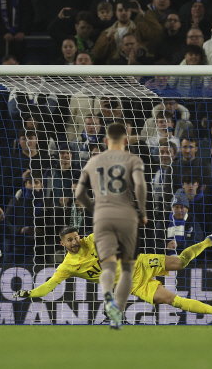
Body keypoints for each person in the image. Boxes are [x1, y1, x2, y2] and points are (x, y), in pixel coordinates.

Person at [13, 224, 212, 324]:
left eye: (76, 237)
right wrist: (30, 293)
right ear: (63, 244)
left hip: (138, 264)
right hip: (133, 285)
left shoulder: (91, 240)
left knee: (180, 262)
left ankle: (209, 240)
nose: (75, 241)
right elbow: (49, 285)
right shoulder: (67, 266)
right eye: (69, 240)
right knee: (171, 300)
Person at [73, 122, 147, 329]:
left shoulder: (93, 161)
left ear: (106, 140)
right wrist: (142, 211)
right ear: (125, 141)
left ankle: (107, 296)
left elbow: (79, 193)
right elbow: (140, 184)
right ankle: (117, 315)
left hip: (102, 216)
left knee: (107, 266)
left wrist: (94, 209)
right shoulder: (132, 159)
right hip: (127, 215)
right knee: (127, 269)